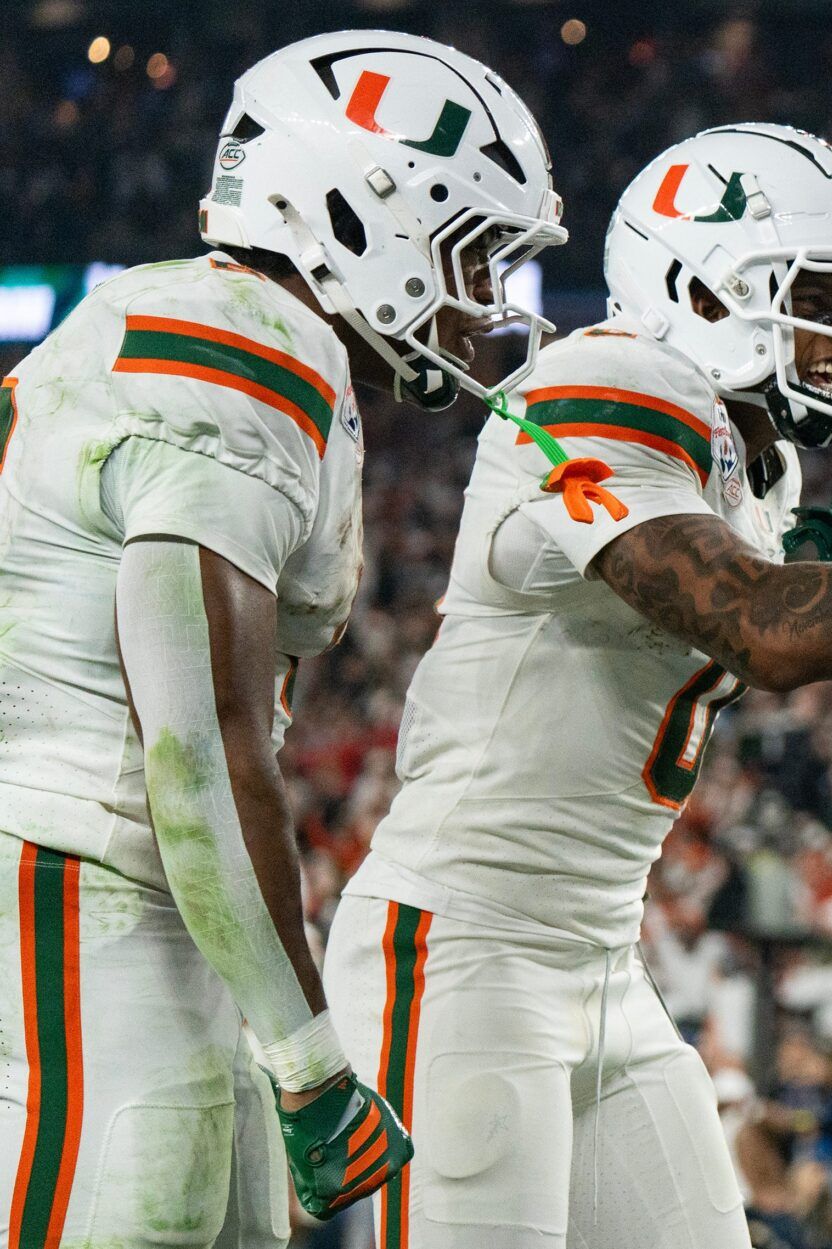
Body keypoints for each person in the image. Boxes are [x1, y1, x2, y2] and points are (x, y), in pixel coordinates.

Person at [322, 122, 832, 1249]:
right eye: (820, 297)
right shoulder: (601, 380)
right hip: (463, 945)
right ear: (704, 287)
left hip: (599, 957)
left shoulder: (751, 455)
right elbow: (767, 631)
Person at [0, 30, 565, 1247]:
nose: (488, 303)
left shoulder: (264, 343)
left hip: (139, 892)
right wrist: (309, 1058)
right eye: (474, 253)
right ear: (363, 216)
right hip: (72, 872)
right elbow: (195, 753)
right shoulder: (239, 350)